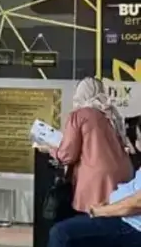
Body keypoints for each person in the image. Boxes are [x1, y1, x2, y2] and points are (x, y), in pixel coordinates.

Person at [41, 77, 133, 215]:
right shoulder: (111, 113)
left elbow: (67, 155)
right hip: (124, 173)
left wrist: (51, 149)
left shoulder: (79, 115)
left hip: (96, 179)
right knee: (115, 217)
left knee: (92, 219)